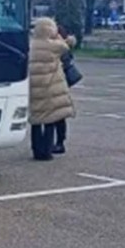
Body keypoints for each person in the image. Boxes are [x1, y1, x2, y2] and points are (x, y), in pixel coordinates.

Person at [28, 17, 76, 161]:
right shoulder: (54, 45)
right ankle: (47, 151)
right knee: (50, 119)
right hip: (50, 87)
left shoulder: (31, 45)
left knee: (36, 120)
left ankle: (36, 150)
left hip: (34, 87)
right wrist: (59, 36)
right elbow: (68, 44)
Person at [53, 24, 80, 155]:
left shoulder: (60, 48)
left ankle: (59, 142)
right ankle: (58, 141)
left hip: (59, 84)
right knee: (58, 115)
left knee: (57, 115)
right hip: (61, 84)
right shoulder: (64, 46)